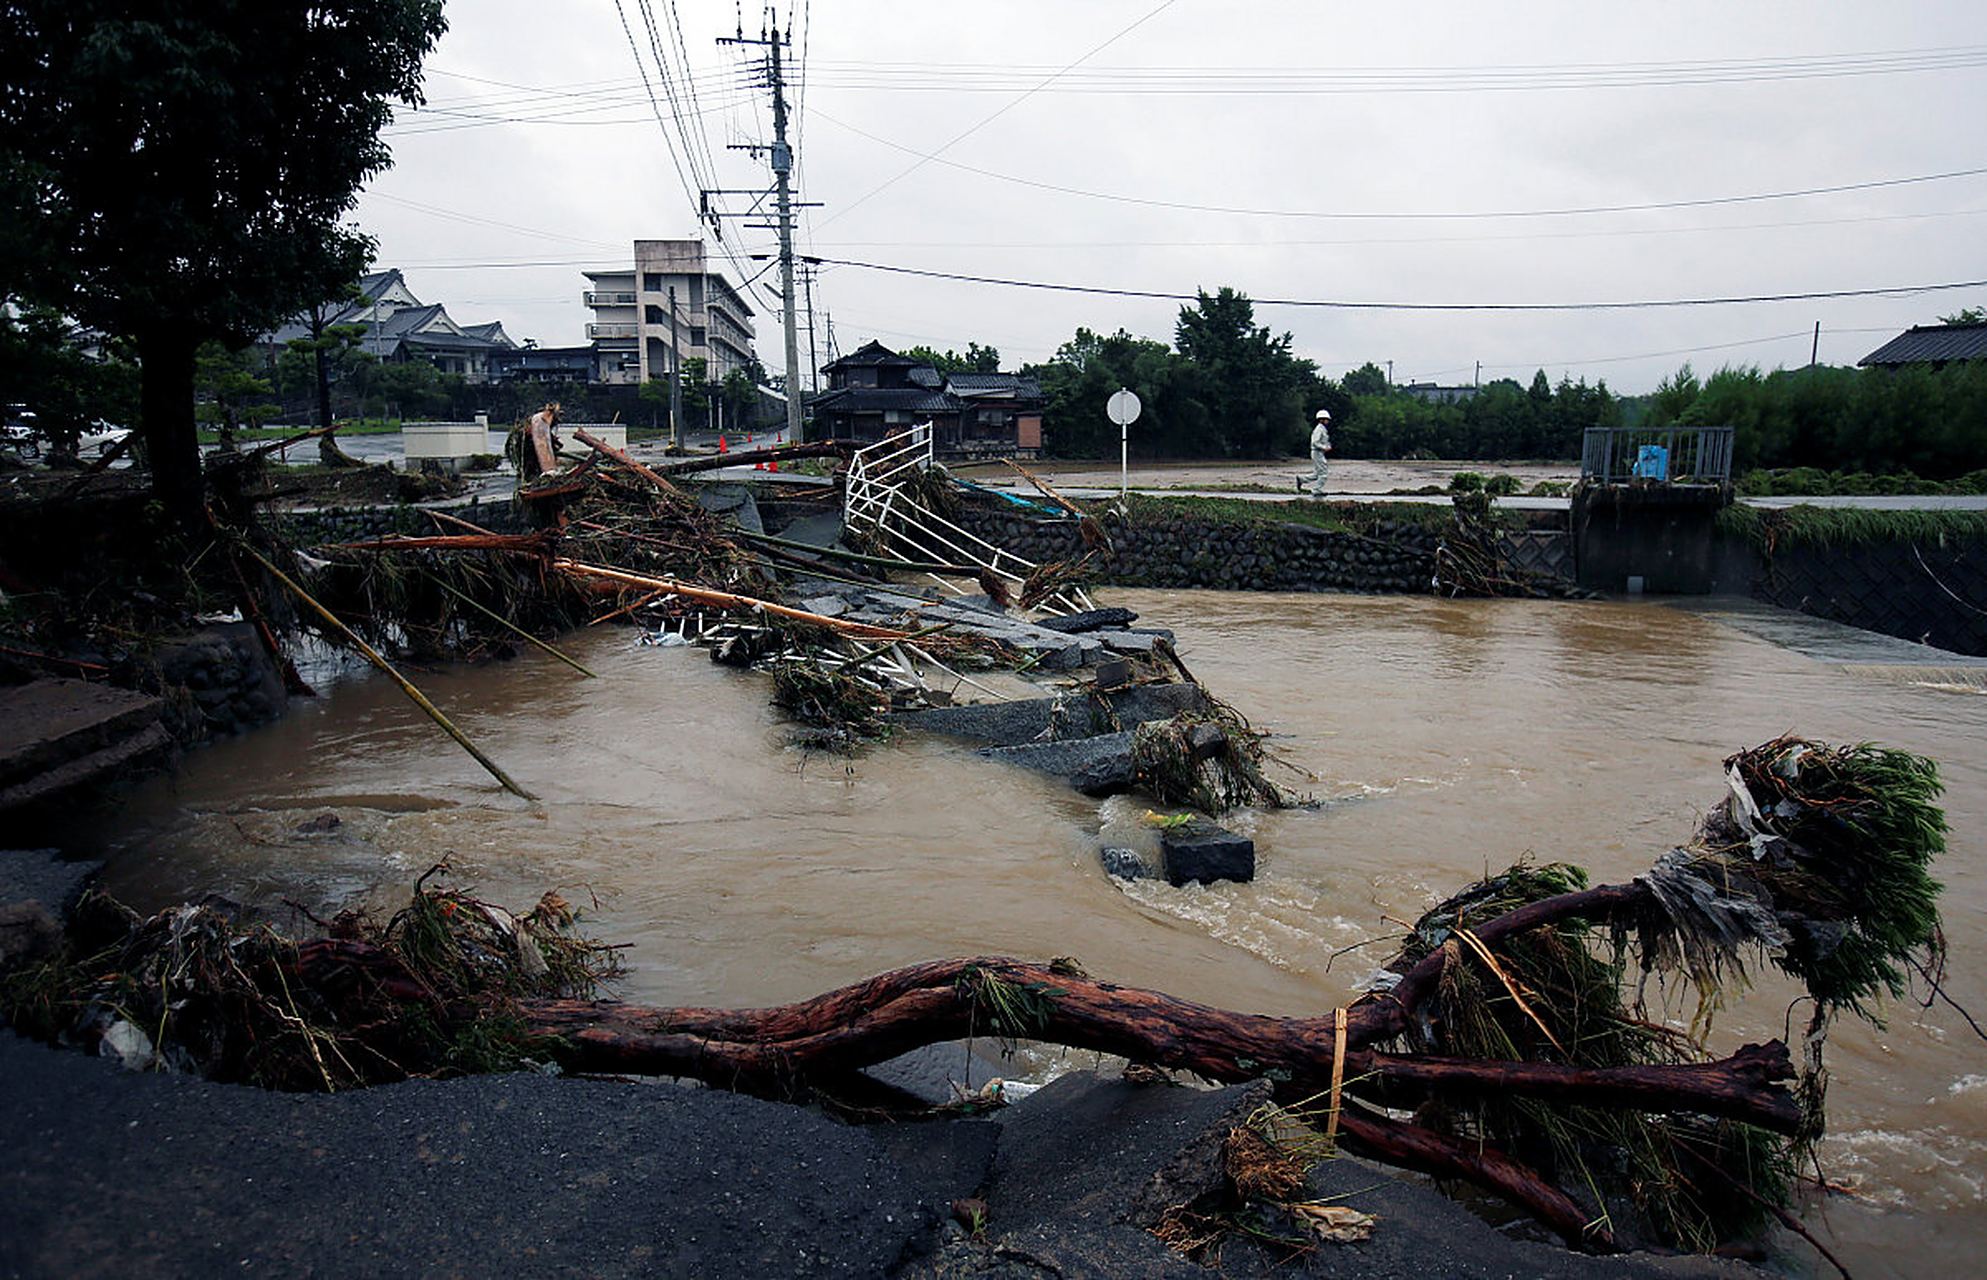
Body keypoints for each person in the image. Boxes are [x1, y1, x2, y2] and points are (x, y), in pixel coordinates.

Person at [1308, 409, 1333, 496]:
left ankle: (1301, 479)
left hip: (1319, 453)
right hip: (1317, 452)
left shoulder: (1322, 429)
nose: (1328, 421)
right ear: (1321, 419)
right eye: (1326, 419)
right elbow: (1315, 442)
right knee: (1323, 473)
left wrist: (1327, 446)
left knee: (1317, 473)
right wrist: (1324, 448)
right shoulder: (1319, 429)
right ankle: (1316, 490)